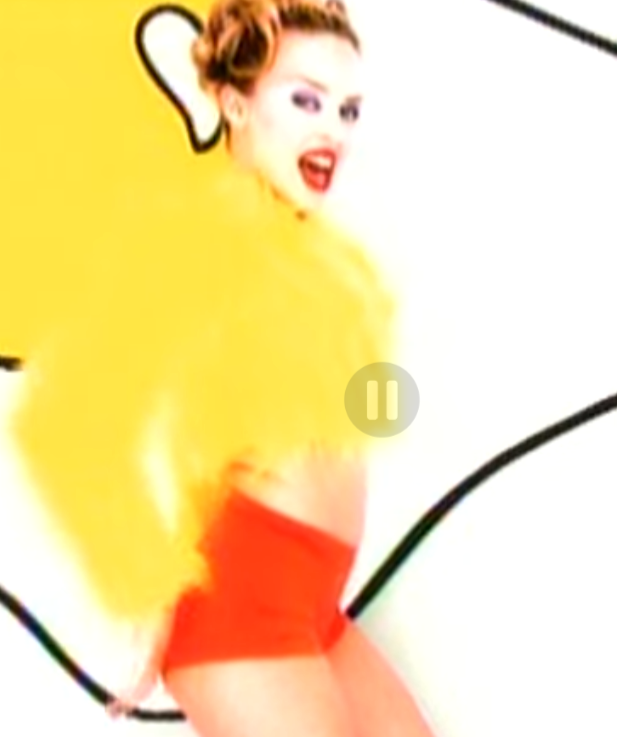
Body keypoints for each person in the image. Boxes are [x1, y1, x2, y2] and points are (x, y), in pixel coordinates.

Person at [12, 0, 437, 735]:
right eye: (305, 100)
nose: (331, 129)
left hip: (315, 599)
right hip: (244, 610)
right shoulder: (186, 237)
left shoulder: (325, 262)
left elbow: (309, 418)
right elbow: (62, 424)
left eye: (346, 110)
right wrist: (148, 584)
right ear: (236, 104)